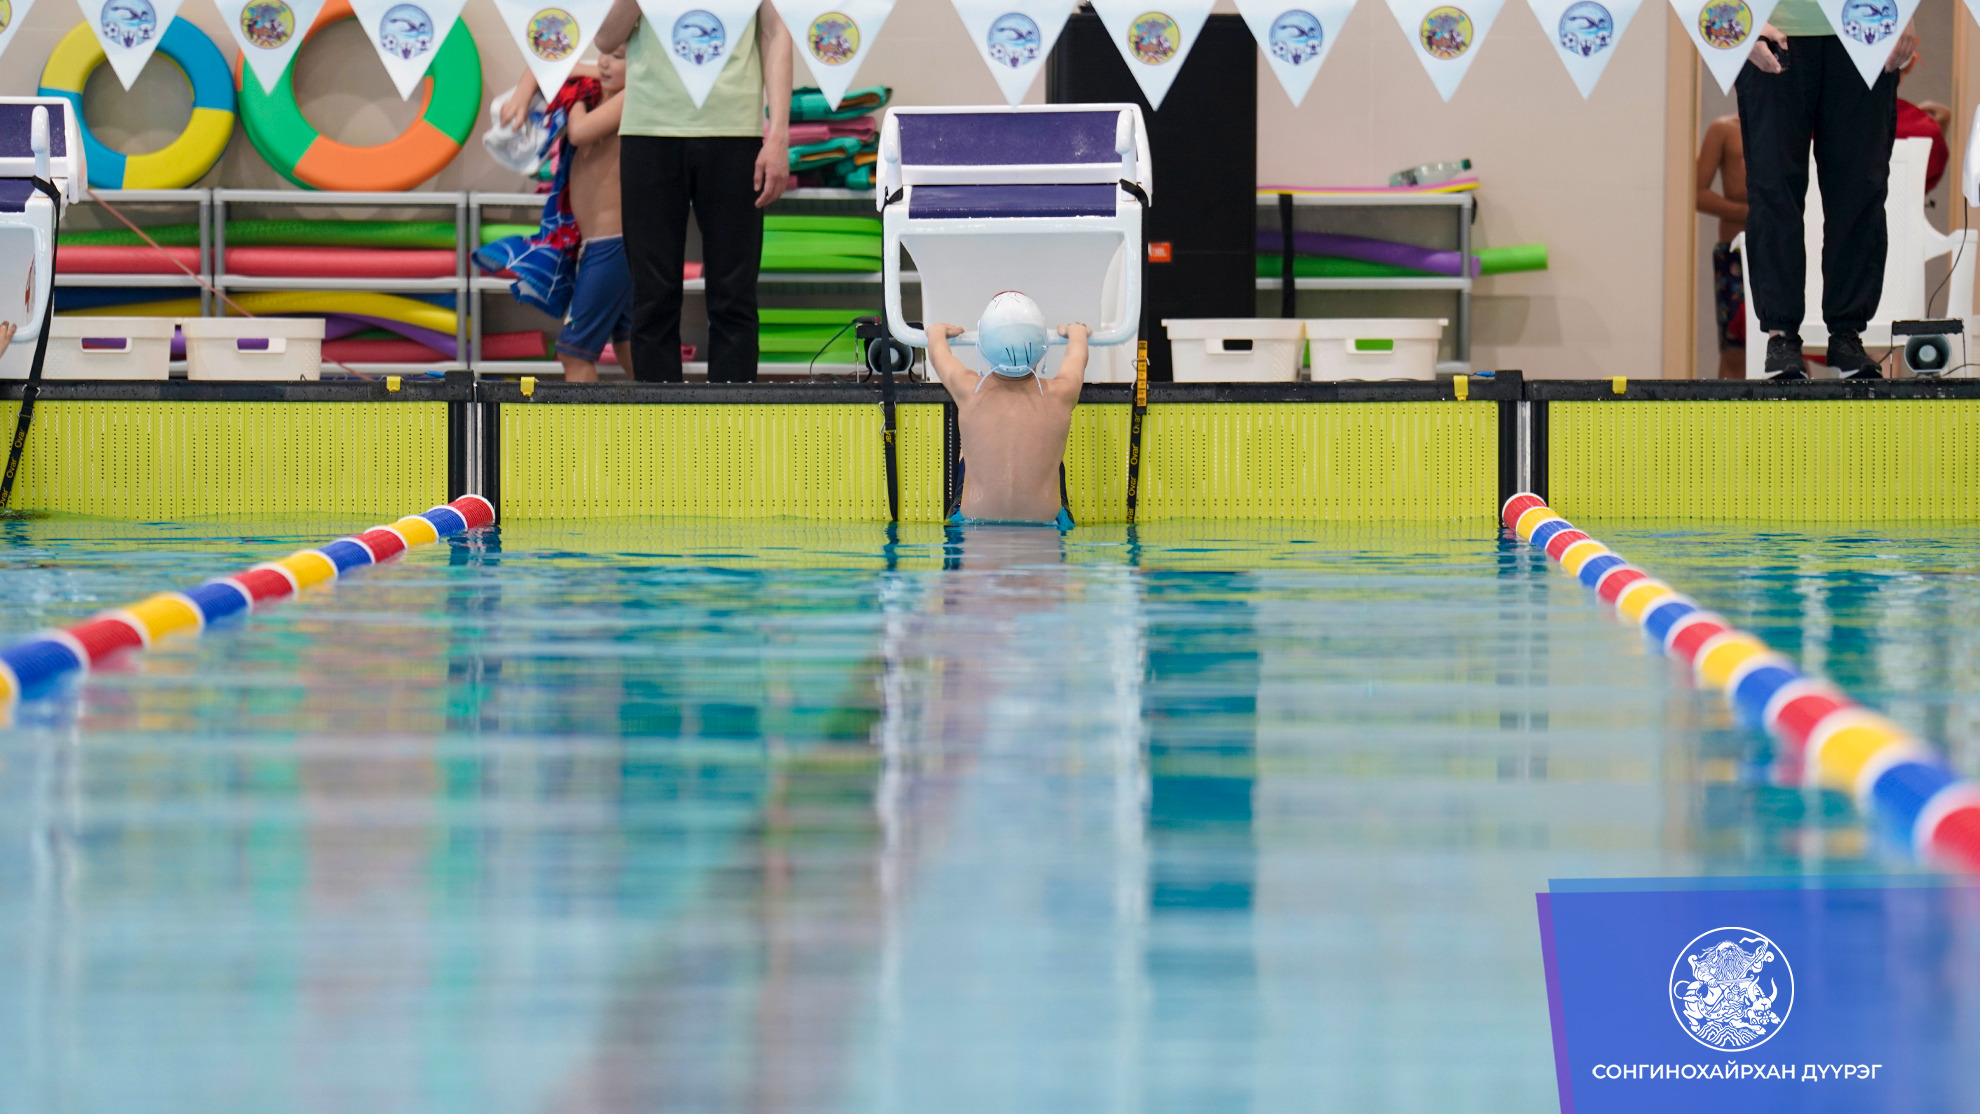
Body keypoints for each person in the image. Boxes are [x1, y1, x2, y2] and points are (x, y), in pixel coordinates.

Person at [595, 0, 792, 383]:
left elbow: (776, 32)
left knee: (734, 295)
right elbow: (605, 38)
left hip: (735, 132)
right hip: (650, 131)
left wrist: (779, 135)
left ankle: (732, 416)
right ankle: (659, 418)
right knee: (653, 296)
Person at [1738, 12, 1917, 379]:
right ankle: (1781, 335)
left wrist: (1905, 12)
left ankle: (1847, 333)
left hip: (1865, 25)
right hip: (1775, 24)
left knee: (1860, 189)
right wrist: (1739, 25)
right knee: (1773, 187)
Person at [501, 47, 633, 382]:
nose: (604, 62)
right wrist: (520, 99)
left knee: (574, 352)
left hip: (614, 246)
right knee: (631, 346)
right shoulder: (599, 84)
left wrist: (574, 98)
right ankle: (679, 411)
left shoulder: (634, 94)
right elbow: (548, 65)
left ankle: (583, 428)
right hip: (603, 244)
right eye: (604, 53)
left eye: (618, 57)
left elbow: (579, 132)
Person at [926, 293, 1090, 527]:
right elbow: (1077, 356)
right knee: (1053, 455)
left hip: (974, 530)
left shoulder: (968, 389)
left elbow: (938, 354)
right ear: (1042, 347)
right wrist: (1077, 333)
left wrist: (937, 332)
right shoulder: (1061, 393)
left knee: (968, 451)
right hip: (1044, 532)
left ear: (984, 347)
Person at [1696, 114, 1747, 380]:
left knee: (1792, 347)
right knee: (1735, 351)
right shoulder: (1724, 130)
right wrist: (1748, 213)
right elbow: (1695, 192)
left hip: (1784, 254)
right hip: (1734, 256)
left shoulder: (1792, 125)